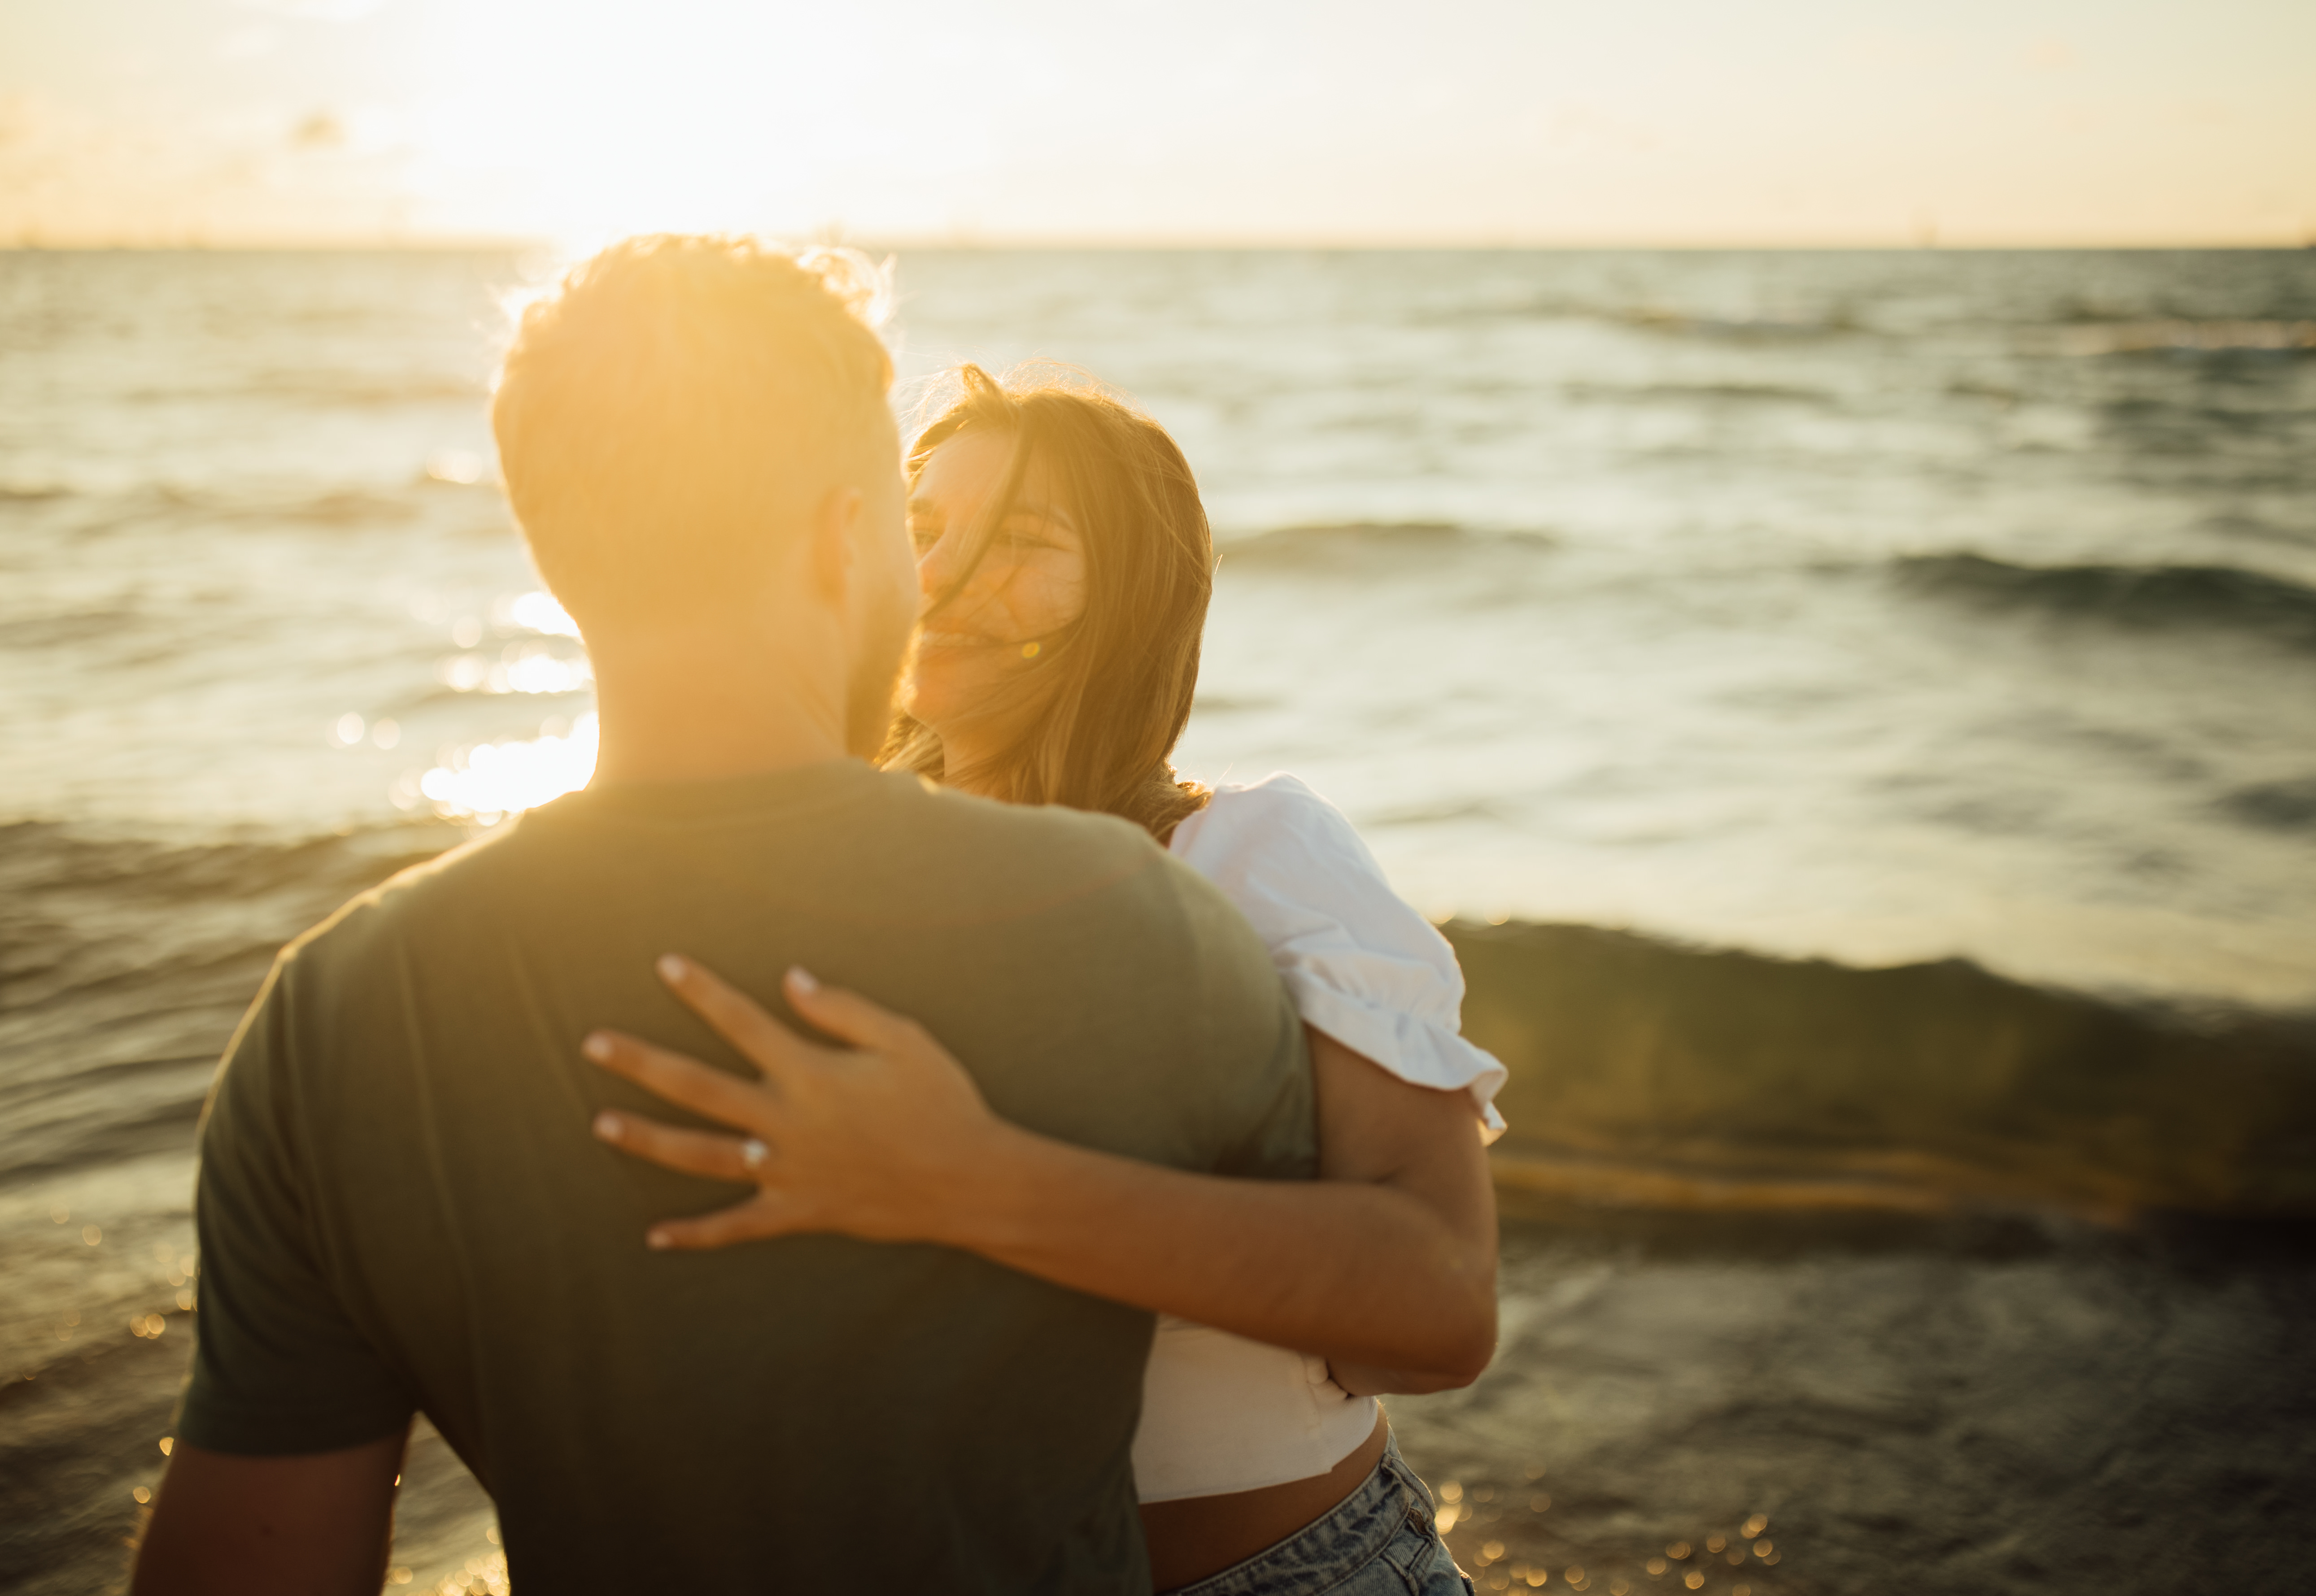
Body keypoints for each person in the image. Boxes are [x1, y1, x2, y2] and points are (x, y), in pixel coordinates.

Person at [131, 237, 1323, 1595]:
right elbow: (1389, 1322)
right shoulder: (1141, 925)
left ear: (554, 539)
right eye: (906, 512)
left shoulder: (334, 1018)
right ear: (845, 534)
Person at [580, 365, 1504, 1594]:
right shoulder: (829, 878)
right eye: (920, 532)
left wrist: (973, 1183)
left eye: (1022, 542)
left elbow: (1436, 1311)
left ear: (1127, 596)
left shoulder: (1248, 859)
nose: (945, 577)